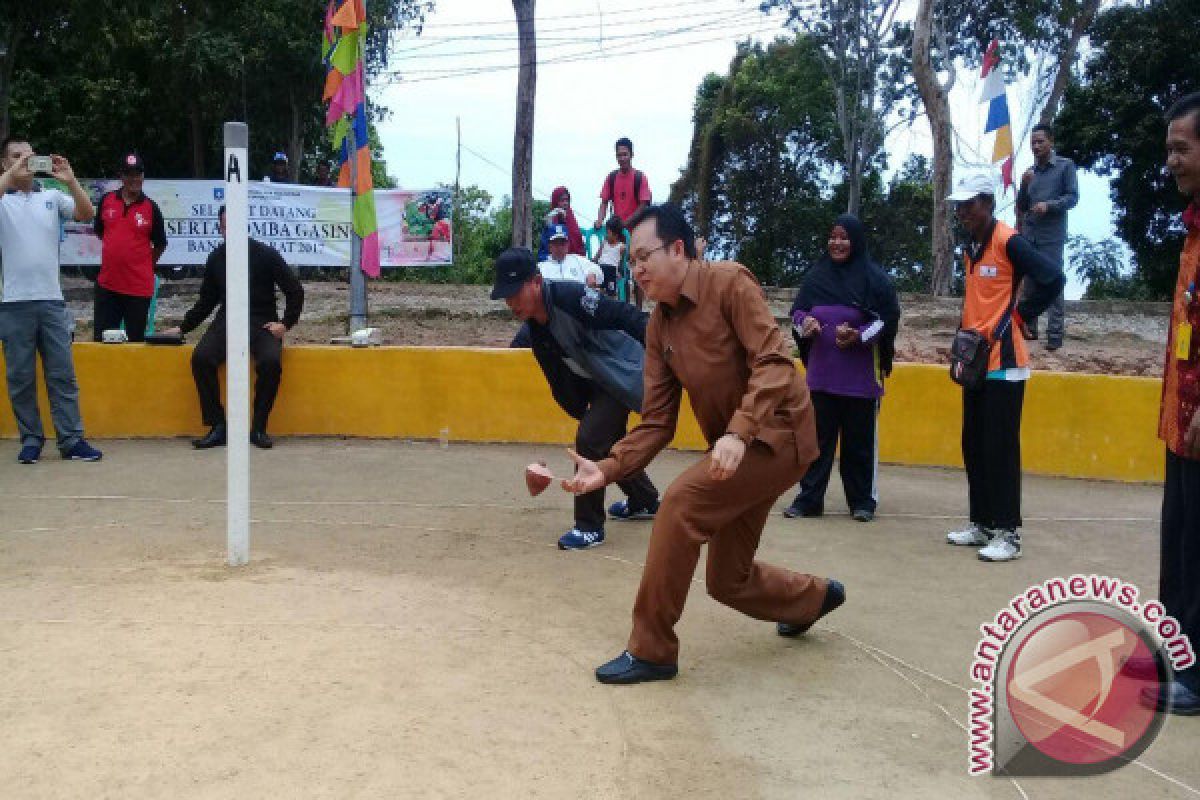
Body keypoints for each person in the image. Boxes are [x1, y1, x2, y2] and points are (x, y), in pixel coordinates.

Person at [562, 204, 844, 685]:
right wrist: (608, 469)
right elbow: (655, 423)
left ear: (678, 249)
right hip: (734, 452)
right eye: (631, 261)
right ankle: (812, 599)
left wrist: (738, 431)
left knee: (680, 504)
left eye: (644, 256)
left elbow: (775, 363)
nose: (637, 270)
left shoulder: (729, 283)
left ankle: (652, 650)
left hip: (778, 437)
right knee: (725, 581)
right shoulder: (659, 327)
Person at [490, 247, 660, 550]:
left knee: (591, 440)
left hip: (625, 372)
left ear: (536, 281)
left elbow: (625, 314)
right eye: (506, 295)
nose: (510, 302)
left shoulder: (572, 297)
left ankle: (589, 526)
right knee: (606, 443)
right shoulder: (535, 331)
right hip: (600, 381)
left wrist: (662, 348)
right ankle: (645, 500)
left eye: (515, 292)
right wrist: (582, 410)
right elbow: (560, 382)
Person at [944, 173, 1065, 562]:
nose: (962, 212)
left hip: (1006, 364)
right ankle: (981, 522)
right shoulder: (971, 248)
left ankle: (1008, 533)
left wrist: (1024, 314)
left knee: (1000, 448)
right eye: (958, 206)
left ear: (987, 202)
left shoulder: (1008, 241)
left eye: (968, 204)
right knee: (973, 444)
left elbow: (1052, 277)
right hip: (975, 360)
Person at [1141, 91, 1200, 715]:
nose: (1172, 162)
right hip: (1180, 422)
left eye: (1181, 149)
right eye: (1169, 150)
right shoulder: (1192, 228)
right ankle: (1180, 653)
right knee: (1179, 540)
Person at [784, 214, 900, 522]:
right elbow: (796, 312)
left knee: (858, 446)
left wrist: (859, 337)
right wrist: (803, 323)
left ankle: (862, 502)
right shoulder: (815, 277)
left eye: (844, 237)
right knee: (816, 444)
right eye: (833, 237)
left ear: (856, 241)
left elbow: (885, 321)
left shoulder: (873, 279)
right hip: (821, 379)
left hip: (859, 382)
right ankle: (809, 500)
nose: (837, 243)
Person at [161, 206, 304, 450]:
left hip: (262, 320)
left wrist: (285, 324)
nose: (230, 231)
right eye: (225, 226)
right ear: (221, 229)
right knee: (201, 358)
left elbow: (295, 290)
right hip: (228, 318)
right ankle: (218, 426)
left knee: (270, 363)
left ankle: (258, 427)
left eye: (234, 225)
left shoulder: (265, 254)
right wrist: (183, 327)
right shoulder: (217, 257)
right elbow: (207, 300)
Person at [0, 135, 103, 463]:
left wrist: (71, 180)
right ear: (4, 163)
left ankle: (71, 439)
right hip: (14, 302)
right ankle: (31, 439)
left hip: (51, 300)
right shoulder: (3, 199)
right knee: (20, 376)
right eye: (16, 156)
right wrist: (11, 175)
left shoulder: (52, 197)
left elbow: (87, 214)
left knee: (61, 373)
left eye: (30, 156)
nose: (25, 162)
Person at [92, 153, 167, 342]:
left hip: (138, 289)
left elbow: (160, 244)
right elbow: (101, 231)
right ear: (121, 176)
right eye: (129, 174)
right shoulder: (107, 200)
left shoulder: (151, 208)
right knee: (103, 342)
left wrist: (143, 265)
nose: (134, 179)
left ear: (143, 176)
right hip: (107, 285)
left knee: (134, 345)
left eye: (138, 174)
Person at [1015, 124, 1078, 351]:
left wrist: (1049, 206)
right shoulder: (1030, 172)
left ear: (1051, 141)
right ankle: (1029, 330)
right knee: (1030, 284)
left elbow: (1072, 198)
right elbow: (1022, 206)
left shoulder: (1065, 166)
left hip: (1051, 236)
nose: (1036, 146)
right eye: (1033, 142)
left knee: (1053, 282)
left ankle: (1055, 336)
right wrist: (1023, 185)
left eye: (1040, 141)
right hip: (1030, 235)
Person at [594, 137, 652, 308]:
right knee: (620, 272)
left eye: (625, 154)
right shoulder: (611, 178)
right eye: (619, 155)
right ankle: (624, 309)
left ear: (631, 155)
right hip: (617, 236)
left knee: (638, 272)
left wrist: (626, 223)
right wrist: (599, 220)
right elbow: (604, 202)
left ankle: (639, 311)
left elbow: (643, 204)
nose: (622, 158)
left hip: (637, 234)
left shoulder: (640, 177)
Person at [537, 186, 585, 261]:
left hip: (573, 261)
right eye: (562, 200)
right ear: (556, 202)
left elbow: (579, 247)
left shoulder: (572, 221)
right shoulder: (550, 221)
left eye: (567, 200)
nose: (565, 203)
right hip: (553, 261)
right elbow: (544, 250)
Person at [594, 216, 626, 298]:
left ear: (616, 235)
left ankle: (611, 297)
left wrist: (619, 271)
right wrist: (592, 262)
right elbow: (598, 255)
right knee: (599, 286)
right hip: (601, 268)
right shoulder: (604, 243)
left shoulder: (621, 246)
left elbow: (621, 261)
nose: (606, 235)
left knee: (611, 291)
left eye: (608, 233)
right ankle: (600, 295)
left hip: (612, 271)